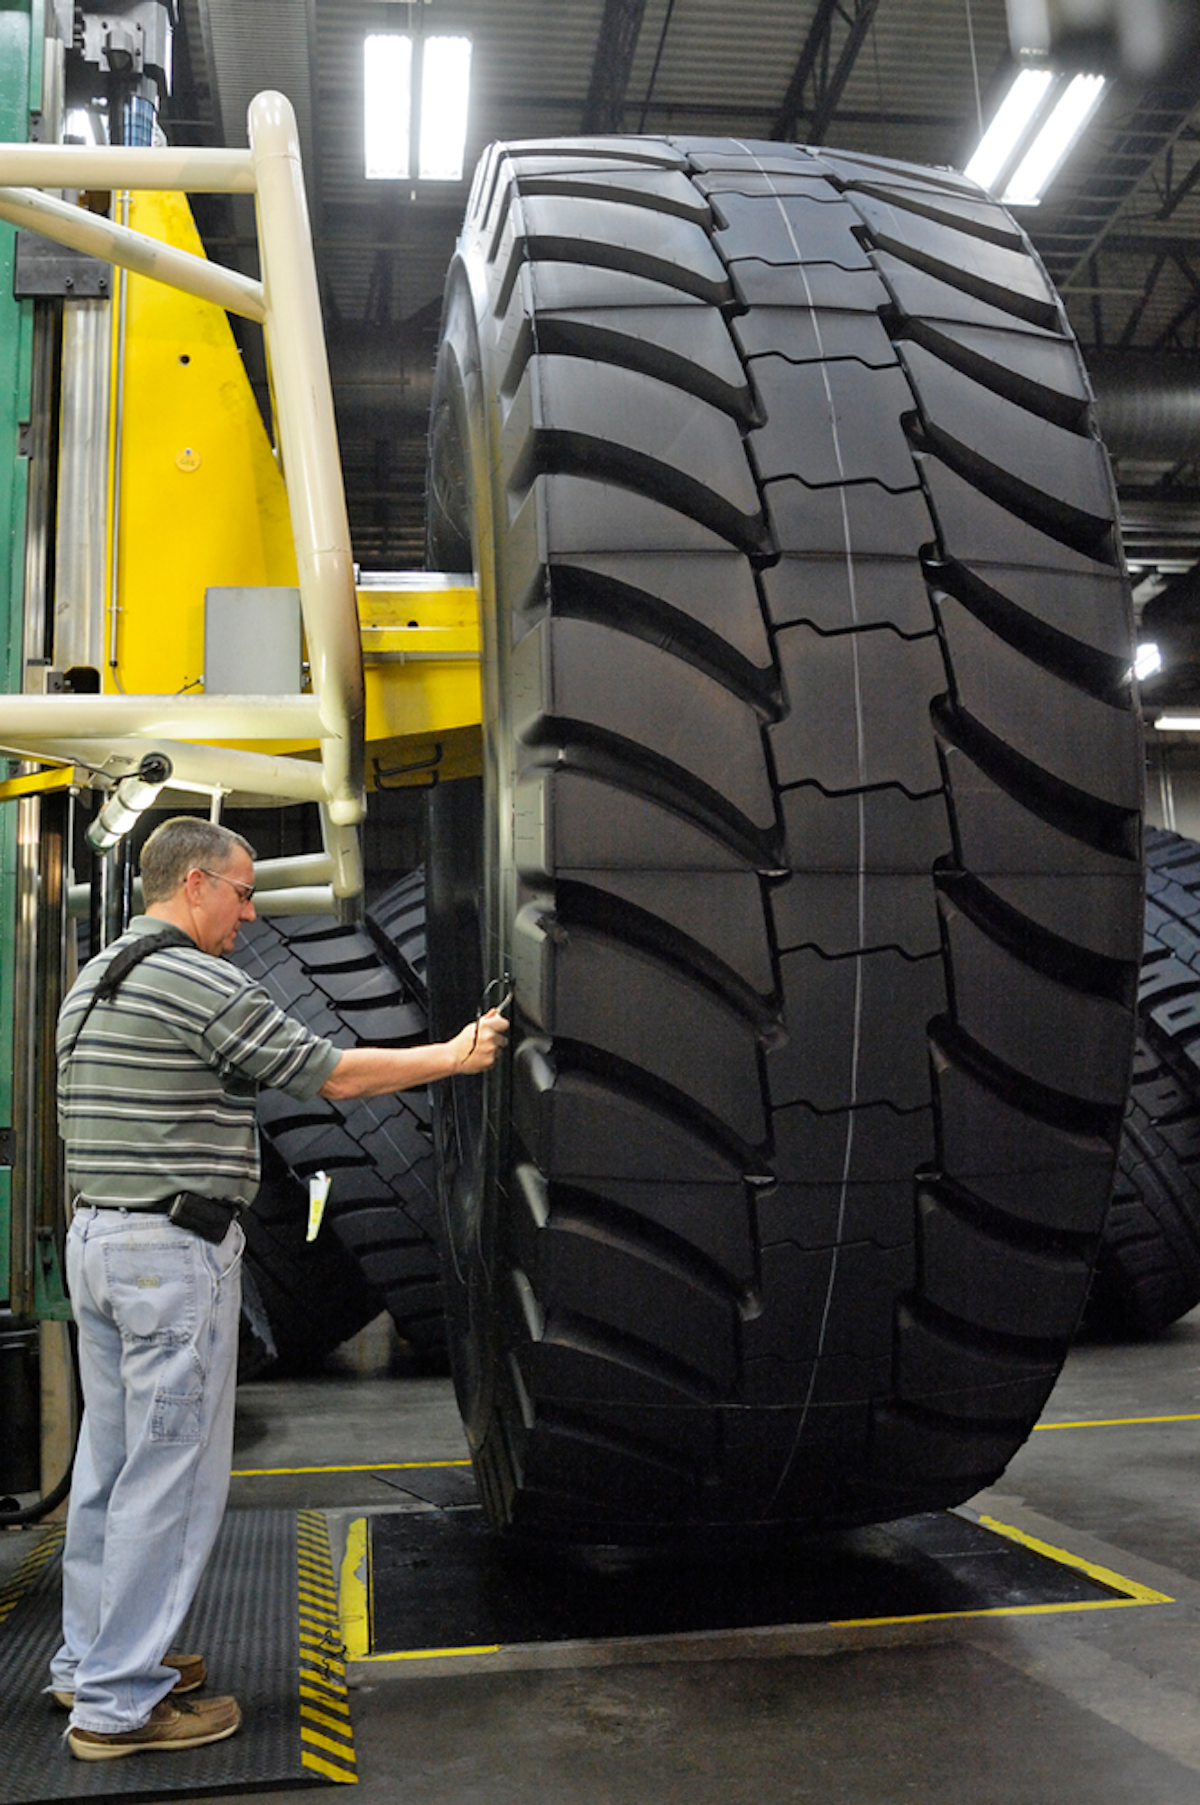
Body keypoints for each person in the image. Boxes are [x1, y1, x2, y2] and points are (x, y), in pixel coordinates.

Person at [50, 816, 508, 1760]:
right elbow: (328, 1073)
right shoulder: (199, 977)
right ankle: (119, 1705)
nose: (251, 914)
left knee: (108, 1470)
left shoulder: (97, 977)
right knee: (170, 1484)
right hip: (168, 1255)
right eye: (244, 891)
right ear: (194, 886)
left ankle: (90, 1659)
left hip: (97, 1239)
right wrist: (454, 1054)